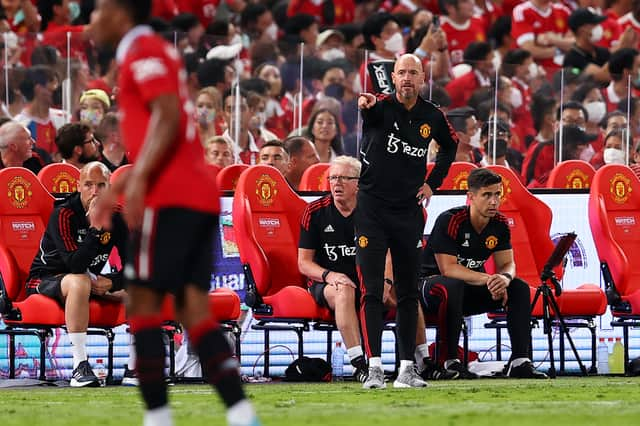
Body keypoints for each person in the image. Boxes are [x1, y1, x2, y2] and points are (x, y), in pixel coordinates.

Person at [91, 2, 260, 425]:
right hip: (198, 194)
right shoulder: (157, 51)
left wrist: (132, 180)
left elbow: (166, 116)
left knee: (144, 304)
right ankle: (240, 413)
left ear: (120, 12)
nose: (92, 19)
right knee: (193, 308)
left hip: (170, 196)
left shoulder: (141, 47)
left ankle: (157, 416)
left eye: (98, 8)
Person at [356, 53, 458, 389]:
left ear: (423, 77)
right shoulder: (379, 107)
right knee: (372, 290)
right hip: (372, 208)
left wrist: (433, 183)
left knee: (408, 291)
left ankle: (405, 369)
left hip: (409, 211)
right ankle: (373, 367)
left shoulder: (432, 115)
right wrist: (365, 105)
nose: (407, 78)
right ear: (393, 77)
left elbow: (450, 147)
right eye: (401, 72)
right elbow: (367, 111)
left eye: (413, 72)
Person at [420, 167, 548, 379]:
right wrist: (489, 279)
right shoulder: (451, 220)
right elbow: (448, 269)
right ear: (471, 197)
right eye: (487, 195)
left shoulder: (499, 224)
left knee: (518, 288)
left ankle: (519, 360)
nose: (494, 201)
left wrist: (503, 279)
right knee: (452, 285)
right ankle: (450, 360)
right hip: (429, 287)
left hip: (467, 288)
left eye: (497, 194)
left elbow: (508, 264)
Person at [25, 162, 130, 387]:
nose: (95, 192)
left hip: (86, 279)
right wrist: (94, 228)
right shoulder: (64, 213)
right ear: (78, 186)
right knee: (80, 281)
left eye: (101, 185)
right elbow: (74, 265)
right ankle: (79, 366)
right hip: (46, 279)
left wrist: (111, 281)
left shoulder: (118, 216)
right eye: (89, 185)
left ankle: (136, 366)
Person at [298, 156, 368, 382]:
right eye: (333, 178)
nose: (337, 183)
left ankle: (420, 360)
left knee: (408, 296)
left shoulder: (372, 210)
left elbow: (387, 254)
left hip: (367, 279)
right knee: (343, 288)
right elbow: (304, 263)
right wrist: (330, 275)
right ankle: (359, 363)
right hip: (325, 282)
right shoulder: (315, 212)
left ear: (358, 182)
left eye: (344, 178)